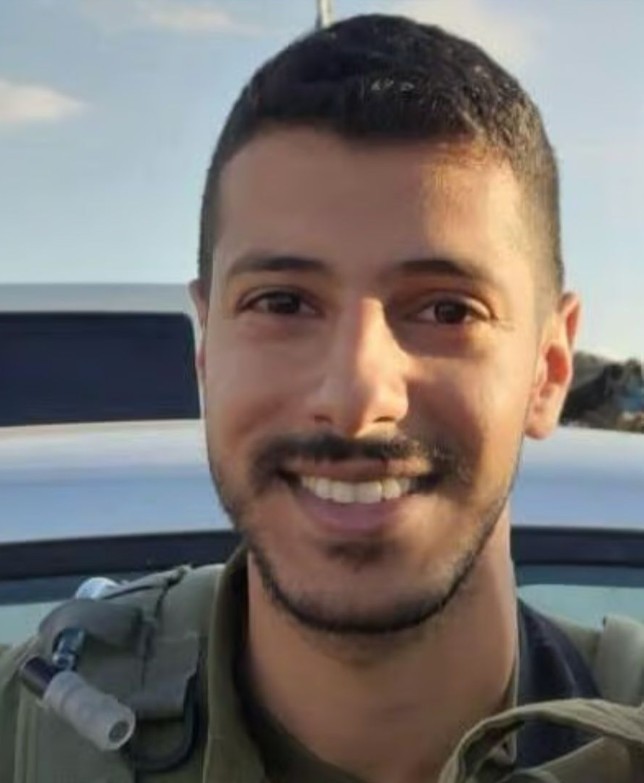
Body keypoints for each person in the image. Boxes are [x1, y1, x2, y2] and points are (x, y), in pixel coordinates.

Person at [2, 13, 644, 783]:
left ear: (549, 366)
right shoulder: (27, 738)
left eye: (447, 309)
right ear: (206, 347)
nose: (354, 397)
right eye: (282, 302)